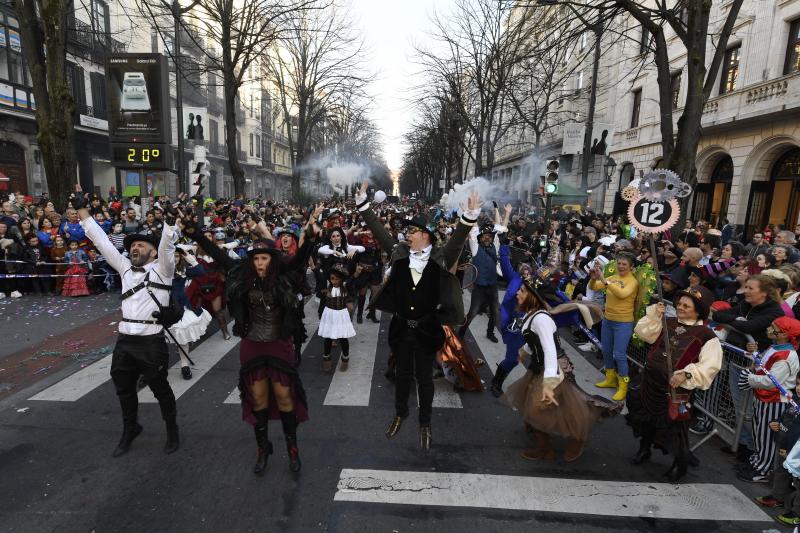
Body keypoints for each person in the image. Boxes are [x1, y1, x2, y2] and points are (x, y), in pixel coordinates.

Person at [181, 205, 321, 475]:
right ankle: (262, 447)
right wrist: (196, 235)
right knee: (257, 399)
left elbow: (301, 257)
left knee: (284, 398)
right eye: (255, 259)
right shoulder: (242, 274)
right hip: (252, 344)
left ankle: (292, 448)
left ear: (273, 260)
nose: (259, 263)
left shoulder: (283, 273)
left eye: (264, 259)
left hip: (279, 343)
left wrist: (311, 238)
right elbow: (218, 255)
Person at [355, 182, 479, 450]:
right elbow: (379, 232)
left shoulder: (440, 257)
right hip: (401, 327)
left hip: (427, 329)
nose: (407, 234)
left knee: (424, 379)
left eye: (412, 230)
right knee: (402, 375)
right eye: (407, 230)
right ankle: (401, 413)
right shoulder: (399, 252)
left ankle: (425, 422)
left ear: (426, 235)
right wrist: (363, 204)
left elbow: (458, 241)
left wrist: (469, 218)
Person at [74, 189, 181, 458]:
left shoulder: (163, 270)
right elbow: (101, 242)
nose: (135, 247)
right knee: (123, 388)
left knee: (161, 389)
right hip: (125, 342)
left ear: (153, 252)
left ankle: (172, 429)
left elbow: (168, 246)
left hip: (151, 341)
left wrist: (169, 222)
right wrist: (83, 212)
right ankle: (130, 428)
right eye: (133, 245)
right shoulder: (123, 267)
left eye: (142, 245)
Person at [503, 277, 618, 462]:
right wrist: (523, 351)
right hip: (541, 366)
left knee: (542, 408)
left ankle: (570, 441)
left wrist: (548, 383)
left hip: (554, 368)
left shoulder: (541, 318)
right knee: (539, 406)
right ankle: (544, 445)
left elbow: (549, 350)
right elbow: (535, 341)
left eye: (522, 291)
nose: (517, 293)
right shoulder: (532, 314)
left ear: (533, 297)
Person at [627, 286, 722, 481]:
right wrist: (654, 316)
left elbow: (710, 366)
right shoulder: (667, 322)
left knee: (675, 431)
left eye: (686, 306)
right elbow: (645, 333)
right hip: (650, 382)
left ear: (698, 310)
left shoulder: (707, 336)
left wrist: (686, 374)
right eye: (679, 304)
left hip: (674, 391)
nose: (680, 307)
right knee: (646, 421)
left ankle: (680, 465)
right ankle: (644, 450)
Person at [737, 317, 800, 483]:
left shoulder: (787, 355)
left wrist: (748, 378)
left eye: (774, 328)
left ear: (784, 334)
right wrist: (756, 354)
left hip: (774, 401)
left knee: (766, 437)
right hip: (764, 398)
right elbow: (763, 367)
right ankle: (758, 462)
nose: (769, 329)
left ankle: (763, 470)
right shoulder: (775, 347)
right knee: (759, 433)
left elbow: (771, 381)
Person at [590, 251, 639, 401]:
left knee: (619, 355)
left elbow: (622, 294)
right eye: (619, 263)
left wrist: (604, 280)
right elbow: (595, 287)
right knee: (606, 350)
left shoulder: (632, 281)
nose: (621, 266)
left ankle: (623, 386)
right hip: (608, 320)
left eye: (624, 264)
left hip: (623, 323)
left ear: (631, 267)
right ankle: (610, 379)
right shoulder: (613, 277)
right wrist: (593, 278)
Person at [459, 223, 502, 343]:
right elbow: (473, 232)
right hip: (479, 288)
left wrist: (506, 213)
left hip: (492, 286)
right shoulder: (475, 248)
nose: (487, 237)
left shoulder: (495, 246)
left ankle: (490, 333)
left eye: (489, 235)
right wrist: (474, 213)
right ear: (480, 238)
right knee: (472, 312)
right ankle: (461, 333)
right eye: (484, 236)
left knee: (495, 313)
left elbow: (499, 228)